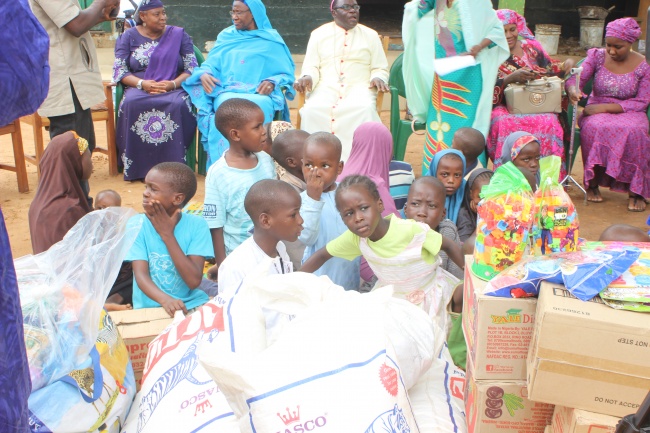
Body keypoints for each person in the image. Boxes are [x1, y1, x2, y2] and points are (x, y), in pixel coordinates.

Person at [301, 175, 463, 332]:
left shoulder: (410, 230)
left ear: (379, 204)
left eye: (364, 208)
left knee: (431, 342)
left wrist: (467, 270)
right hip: (393, 300)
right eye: (349, 213)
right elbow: (322, 255)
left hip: (429, 296)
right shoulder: (356, 239)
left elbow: (448, 245)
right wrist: (291, 279)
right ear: (343, 219)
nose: (358, 218)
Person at [402, 0, 509, 173]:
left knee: (468, 129)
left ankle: (469, 179)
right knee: (438, 126)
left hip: (470, 77)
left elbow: (496, 31)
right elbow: (415, 13)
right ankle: (435, 176)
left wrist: (478, 47)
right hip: (443, 75)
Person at [184, 0, 295, 166]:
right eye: (233, 12)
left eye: (239, 12)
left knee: (260, 106)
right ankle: (225, 164)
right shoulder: (226, 36)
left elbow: (286, 73)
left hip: (260, 94)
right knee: (226, 104)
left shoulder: (271, 40)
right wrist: (204, 73)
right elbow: (211, 64)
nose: (234, 17)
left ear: (253, 14)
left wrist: (273, 81)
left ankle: (259, 164)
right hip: (227, 91)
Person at [29, 0, 120, 201]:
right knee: (72, 155)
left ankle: (77, 207)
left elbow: (86, 19)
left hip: (74, 80)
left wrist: (103, 10)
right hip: (64, 79)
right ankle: (71, 211)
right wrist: (100, 4)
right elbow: (76, 25)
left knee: (81, 149)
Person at [566, 18, 650, 212]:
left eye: (618, 47)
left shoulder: (644, 65)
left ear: (631, 43)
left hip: (630, 110)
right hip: (596, 109)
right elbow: (576, 78)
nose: (611, 51)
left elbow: (643, 100)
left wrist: (605, 108)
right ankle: (593, 183)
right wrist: (573, 90)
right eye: (608, 45)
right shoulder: (596, 56)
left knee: (635, 131)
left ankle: (636, 191)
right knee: (596, 127)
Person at [113, 0, 198, 181]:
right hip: (140, 86)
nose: (163, 18)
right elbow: (120, 70)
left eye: (163, 13)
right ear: (143, 16)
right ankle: (137, 169)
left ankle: (176, 170)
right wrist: (142, 84)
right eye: (157, 14)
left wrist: (173, 84)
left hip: (173, 86)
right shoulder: (128, 37)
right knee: (130, 103)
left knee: (177, 104)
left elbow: (192, 68)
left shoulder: (178, 35)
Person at [294, 0, 390, 160]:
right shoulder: (318, 34)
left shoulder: (371, 35)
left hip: (359, 87)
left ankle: (357, 161)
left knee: (364, 109)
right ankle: (317, 159)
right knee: (312, 110)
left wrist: (378, 77)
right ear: (334, 12)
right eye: (346, 7)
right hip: (326, 86)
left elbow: (379, 67)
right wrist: (308, 77)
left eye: (355, 7)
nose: (353, 11)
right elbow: (312, 67)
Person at [489, 9, 572, 179]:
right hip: (505, 107)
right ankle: (507, 177)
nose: (508, 35)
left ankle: (549, 178)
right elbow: (484, 91)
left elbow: (552, 69)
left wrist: (567, 64)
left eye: (512, 29)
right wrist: (508, 79)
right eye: (503, 31)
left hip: (539, 101)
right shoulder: (490, 53)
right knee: (502, 122)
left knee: (551, 121)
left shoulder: (532, 48)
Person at [126, 162, 213, 317]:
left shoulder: (197, 226)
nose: (146, 193)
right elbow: (141, 275)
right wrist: (166, 300)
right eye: (146, 187)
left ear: (177, 198)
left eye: (153, 189)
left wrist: (167, 235)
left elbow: (193, 281)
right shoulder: (136, 224)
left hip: (190, 304)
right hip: (151, 308)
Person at [203, 98, 276, 277]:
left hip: (270, 250)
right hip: (237, 256)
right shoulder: (218, 174)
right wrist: (223, 267)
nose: (263, 132)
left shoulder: (265, 160)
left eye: (263, 125)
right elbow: (215, 226)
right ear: (235, 135)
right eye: (257, 127)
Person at [218, 180, 303, 298]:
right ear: (266, 221)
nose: (300, 220)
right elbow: (234, 313)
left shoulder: (280, 248)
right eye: (293, 215)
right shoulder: (237, 268)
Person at [338, 122, 399, 284]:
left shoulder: (339, 179)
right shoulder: (374, 185)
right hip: (372, 269)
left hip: (341, 263)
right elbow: (396, 229)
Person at [298, 132, 360, 290]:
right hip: (318, 279)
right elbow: (307, 237)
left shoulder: (349, 194)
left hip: (347, 274)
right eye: (309, 165)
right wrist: (313, 198)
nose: (316, 172)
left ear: (339, 168)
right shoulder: (302, 201)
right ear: (301, 165)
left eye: (324, 166)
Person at [28, 132, 93, 254]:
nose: (91, 163)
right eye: (88, 157)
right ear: (74, 161)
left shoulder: (38, 202)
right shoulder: (69, 209)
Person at [404, 177, 463, 279]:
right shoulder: (397, 231)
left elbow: (457, 278)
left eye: (431, 206)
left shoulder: (447, 233)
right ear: (406, 209)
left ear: (443, 214)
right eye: (415, 204)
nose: (422, 212)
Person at [427, 149, 466, 225]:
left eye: (457, 175)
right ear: (434, 171)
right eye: (445, 174)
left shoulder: (467, 192)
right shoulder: (422, 191)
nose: (451, 180)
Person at [456, 168, 493, 242]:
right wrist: (482, 219)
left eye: (490, 197)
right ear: (470, 194)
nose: (485, 202)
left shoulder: (499, 213)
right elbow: (467, 245)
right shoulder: (464, 215)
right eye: (481, 197)